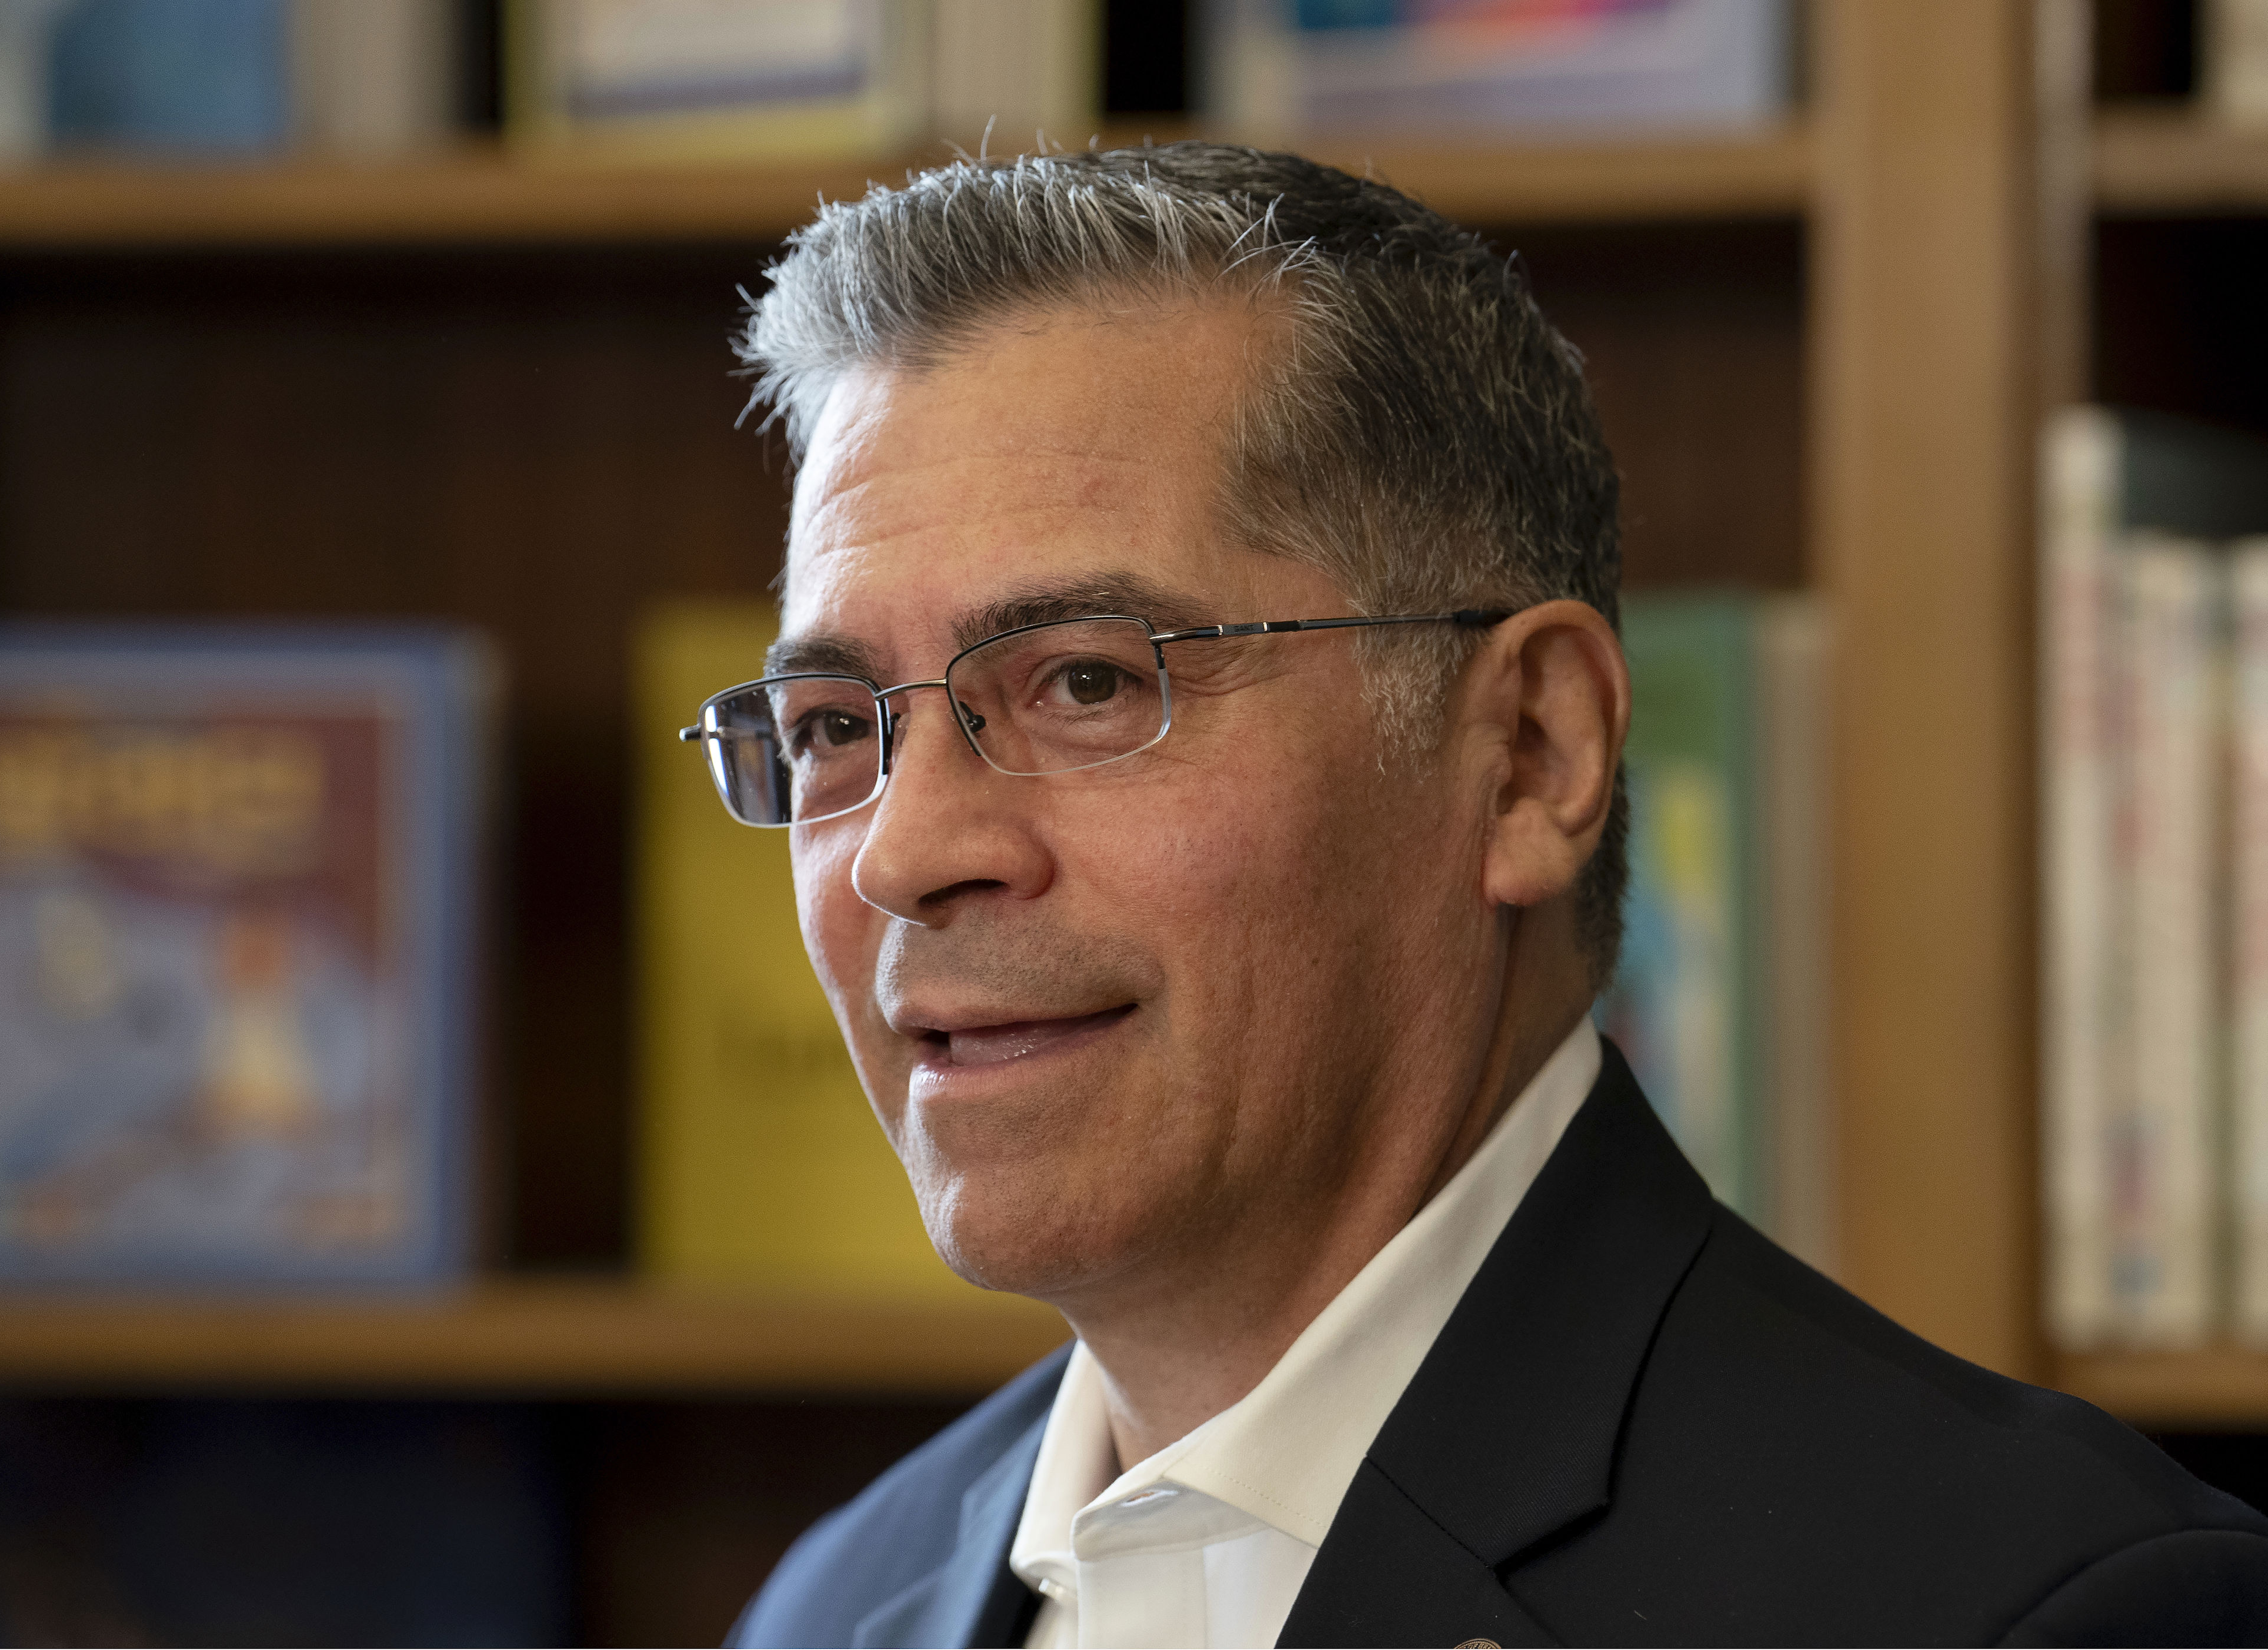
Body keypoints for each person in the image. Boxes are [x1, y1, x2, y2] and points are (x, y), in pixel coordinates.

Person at [692, 143, 2268, 1648]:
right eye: (833, 728)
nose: (904, 852)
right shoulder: (833, 1604)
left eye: (1091, 684)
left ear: (1528, 756)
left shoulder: (2040, 1612)